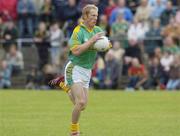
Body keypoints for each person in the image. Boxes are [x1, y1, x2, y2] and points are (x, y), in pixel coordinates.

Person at [49, 4, 111, 136]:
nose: (95, 18)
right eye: (93, 15)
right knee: (80, 101)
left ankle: (63, 85)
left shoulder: (98, 30)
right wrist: (92, 41)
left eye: (96, 15)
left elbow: (105, 44)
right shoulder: (78, 31)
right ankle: (74, 132)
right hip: (74, 68)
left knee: (82, 106)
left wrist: (106, 45)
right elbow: (76, 51)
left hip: (87, 71)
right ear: (85, 16)